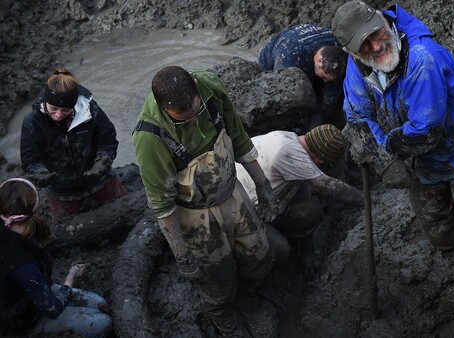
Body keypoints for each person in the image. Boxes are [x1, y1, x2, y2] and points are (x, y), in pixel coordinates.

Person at [332, 0, 454, 318]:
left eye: (376, 34)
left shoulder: (422, 58)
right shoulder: (358, 65)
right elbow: (357, 115)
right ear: (351, 52)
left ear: (382, 20)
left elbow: (426, 131)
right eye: (365, 45)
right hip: (417, 153)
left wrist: (387, 152)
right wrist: (380, 151)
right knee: (433, 218)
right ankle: (450, 255)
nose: (377, 45)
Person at [132, 65, 291, 335]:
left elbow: (239, 138)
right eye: (183, 120)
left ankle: (251, 292)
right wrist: (181, 254)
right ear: (162, 109)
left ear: (195, 87)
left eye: (195, 111)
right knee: (217, 279)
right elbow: (162, 205)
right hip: (195, 215)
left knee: (259, 253)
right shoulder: (149, 137)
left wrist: (263, 187)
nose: (193, 120)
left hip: (232, 191)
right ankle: (224, 318)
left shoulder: (210, 88)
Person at [0, 178, 113, 337]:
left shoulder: (8, 230)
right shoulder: (23, 265)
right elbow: (52, 310)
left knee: (101, 303)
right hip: (24, 320)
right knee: (103, 322)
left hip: (27, 291)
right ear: (35, 209)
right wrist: (71, 276)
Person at [20, 68, 127, 221]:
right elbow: (30, 159)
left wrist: (102, 162)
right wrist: (40, 173)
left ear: (74, 104)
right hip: (61, 190)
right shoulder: (32, 122)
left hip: (99, 179)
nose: (58, 115)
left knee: (125, 207)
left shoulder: (91, 112)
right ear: (45, 101)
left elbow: (108, 140)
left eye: (65, 110)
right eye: (54, 109)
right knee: (62, 226)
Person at [235, 124, 363, 239]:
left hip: (237, 190)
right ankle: (290, 243)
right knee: (311, 213)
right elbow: (329, 187)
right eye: (327, 165)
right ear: (321, 159)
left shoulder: (286, 136)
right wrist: (365, 199)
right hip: (244, 212)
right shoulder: (291, 153)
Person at [258, 24, 348, 128]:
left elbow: (335, 85)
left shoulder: (336, 43)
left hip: (305, 51)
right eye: (323, 77)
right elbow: (282, 93)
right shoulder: (289, 58)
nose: (325, 81)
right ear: (319, 60)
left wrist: (325, 108)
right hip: (271, 55)